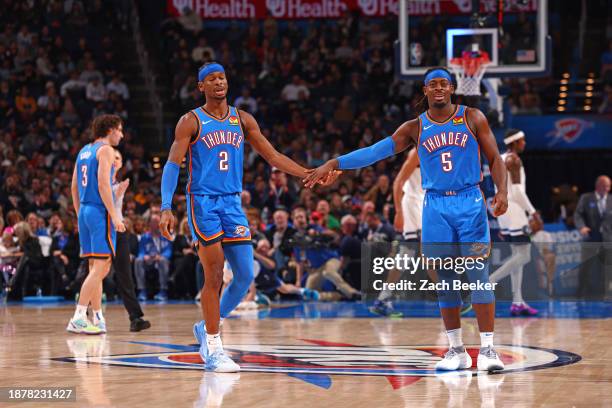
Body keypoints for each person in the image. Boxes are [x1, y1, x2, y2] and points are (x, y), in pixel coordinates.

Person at [305, 67, 509, 372]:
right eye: (432, 85)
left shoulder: (472, 117)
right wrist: (336, 162)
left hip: (470, 202)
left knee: (477, 274)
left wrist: (502, 190)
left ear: (452, 88)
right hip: (435, 206)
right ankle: (456, 350)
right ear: (424, 91)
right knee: (447, 281)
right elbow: (375, 152)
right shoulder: (415, 127)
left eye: (443, 84)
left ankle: (489, 349)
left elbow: (495, 159)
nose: (438, 88)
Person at [158, 62, 336, 372]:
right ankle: (213, 346)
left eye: (222, 77)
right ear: (201, 87)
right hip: (203, 203)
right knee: (214, 274)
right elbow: (173, 164)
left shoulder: (243, 119)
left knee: (244, 277)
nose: (218, 83)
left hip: (232, 203)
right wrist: (165, 207)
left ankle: (206, 326)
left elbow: (273, 156)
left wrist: (308, 173)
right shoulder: (190, 121)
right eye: (211, 79)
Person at [66, 114, 126, 335]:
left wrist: (80, 211)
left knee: (95, 267)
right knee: (102, 266)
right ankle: (79, 316)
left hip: (85, 210)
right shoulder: (106, 150)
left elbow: (73, 186)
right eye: (119, 130)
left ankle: (98, 317)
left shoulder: (84, 150)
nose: (121, 134)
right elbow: (103, 184)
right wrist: (115, 215)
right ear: (110, 130)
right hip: (100, 211)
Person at [489, 129, 538, 316]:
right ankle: (490, 281)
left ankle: (517, 301)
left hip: (504, 213)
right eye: (522, 140)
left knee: (517, 257)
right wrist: (533, 212)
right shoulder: (514, 160)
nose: (524, 143)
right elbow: (517, 192)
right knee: (524, 256)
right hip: (516, 210)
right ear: (515, 142)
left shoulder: (499, 158)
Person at [111, 149, 150, 331]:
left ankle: (135, 317)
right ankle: (83, 314)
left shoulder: (117, 181)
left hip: (119, 230)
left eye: (119, 158)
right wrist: (117, 194)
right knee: (95, 273)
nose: (118, 161)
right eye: (115, 158)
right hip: (104, 230)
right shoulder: (100, 180)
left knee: (125, 275)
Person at [574, 175, 612, 298]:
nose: (607, 189)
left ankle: (603, 295)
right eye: (604, 186)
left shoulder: (611, 200)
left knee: (606, 269)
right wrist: (582, 227)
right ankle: (580, 294)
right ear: (598, 186)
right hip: (590, 239)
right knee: (586, 267)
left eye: (609, 186)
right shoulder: (586, 198)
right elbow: (578, 215)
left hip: (607, 240)